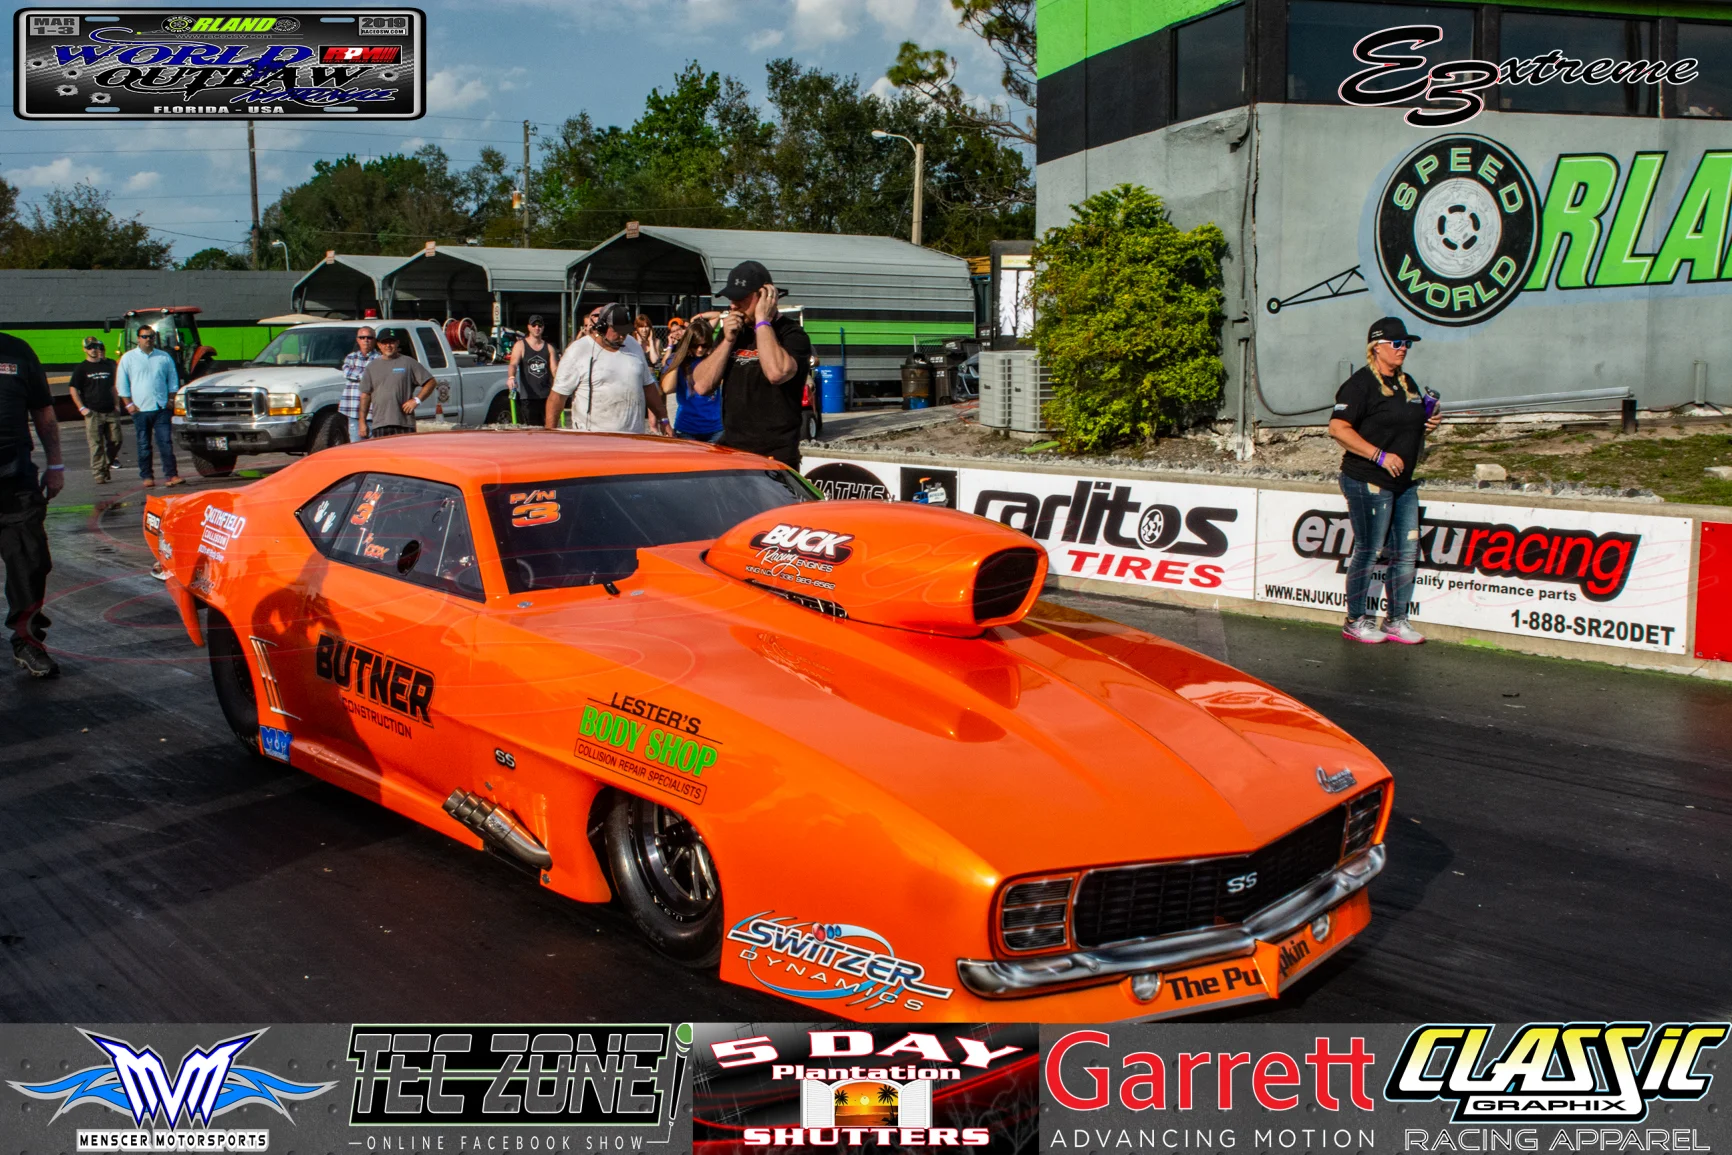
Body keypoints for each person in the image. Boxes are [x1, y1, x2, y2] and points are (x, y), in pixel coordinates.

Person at [1328, 316, 1443, 646]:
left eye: (1407, 344)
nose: (1403, 349)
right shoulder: (1359, 385)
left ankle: (1396, 620)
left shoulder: (1406, 382)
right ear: (1377, 347)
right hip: (1368, 479)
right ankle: (1355, 620)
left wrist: (1429, 422)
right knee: (1369, 550)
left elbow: (1407, 422)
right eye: (1397, 343)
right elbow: (1337, 428)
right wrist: (1379, 455)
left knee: (1406, 552)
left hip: (1403, 482)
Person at [690, 260, 813, 468]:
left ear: (766, 296)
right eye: (731, 299)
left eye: (741, 298)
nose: (733, 305)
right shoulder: (733, 333)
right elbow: (701, 385)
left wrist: (762, 321)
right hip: (733, 451)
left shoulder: (792, 334)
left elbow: (776, 373)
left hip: (775, 455)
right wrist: (727, 341)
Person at [0, 330, 63, 677]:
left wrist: (56, 465)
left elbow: (42, 409)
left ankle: (27, 642)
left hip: (15, 480)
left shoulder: (18, 351)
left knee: (31, 562)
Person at [547, 302, 668, 434]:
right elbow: (558, 396)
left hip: (633, 437)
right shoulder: (578, 351)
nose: (622, 336)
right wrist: (550, 433)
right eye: (617, 331)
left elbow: (648, 386)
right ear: (602, 327)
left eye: (625, 332)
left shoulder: (633, 345)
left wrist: (664, 420)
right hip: (593, 438)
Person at [116, 325, 182, 487]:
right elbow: (121, 383)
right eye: (144, 336)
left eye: (151, 336)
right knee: (144, 445)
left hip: (161, 408)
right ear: (138, 339)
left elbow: (173, 380)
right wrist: (129, 404)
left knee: (165, 443)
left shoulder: (164, 357)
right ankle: (147, 476)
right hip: (140, 409)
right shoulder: (128, 358)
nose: (148, 340)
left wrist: (171, 399)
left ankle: (172, 475)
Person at [357, 329, 436, 440]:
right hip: (380, 424)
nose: (388, 346)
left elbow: (431, 382)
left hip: (404, 423)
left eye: (391, 342)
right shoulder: (372, 367)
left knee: (405, 451)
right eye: (385, 343)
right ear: (379, 345)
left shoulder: (408, 362)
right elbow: (365, 395)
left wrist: (416, 400)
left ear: (397, 343)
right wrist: (362, 422)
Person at [69, 336, 123, 484]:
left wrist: (117, 405)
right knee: (96, 444)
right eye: (90, 347)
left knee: (116, 440)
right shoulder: (81, 368)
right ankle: (99, 473)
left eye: (96, 346)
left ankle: (106, 465)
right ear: (85, 349)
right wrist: (82, 408)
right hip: (93, 412)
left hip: (110, 411)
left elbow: (113, 387)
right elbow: (73, 389)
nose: (93, 349)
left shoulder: (107, 366)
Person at [659, 322, 723, 442]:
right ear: (688, 344)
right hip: (687, 428)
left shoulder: (712, 359)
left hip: (715, 428)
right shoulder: (678, 359)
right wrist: (680, 356)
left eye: (704, 345)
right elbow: (667, 388)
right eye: (695, 345)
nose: (700, 349)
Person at [507, 315, 558, 427]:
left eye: (539, 325)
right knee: (531, 430)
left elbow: (554, 370)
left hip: (547, 396)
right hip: (528, 397)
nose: (537, 328)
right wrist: (511, 377)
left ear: (543, 327)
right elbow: (513, 364)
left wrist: (561, 384)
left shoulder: (549, 348)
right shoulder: (520, 345)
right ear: (529, 327)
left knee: (549, 428)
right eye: (534, 325)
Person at [340, 326, 379, 443]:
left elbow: (379, 376)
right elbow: (347, 372)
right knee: (356, 445)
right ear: (357, 340)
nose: (365, 340)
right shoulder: (350, 357)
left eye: (369, 337)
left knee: (375, 446)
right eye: (362, 337)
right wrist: (368, 376)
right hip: (353, 409)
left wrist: (360, 375)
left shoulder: (380, 359)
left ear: (374, 340)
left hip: (374, 411)